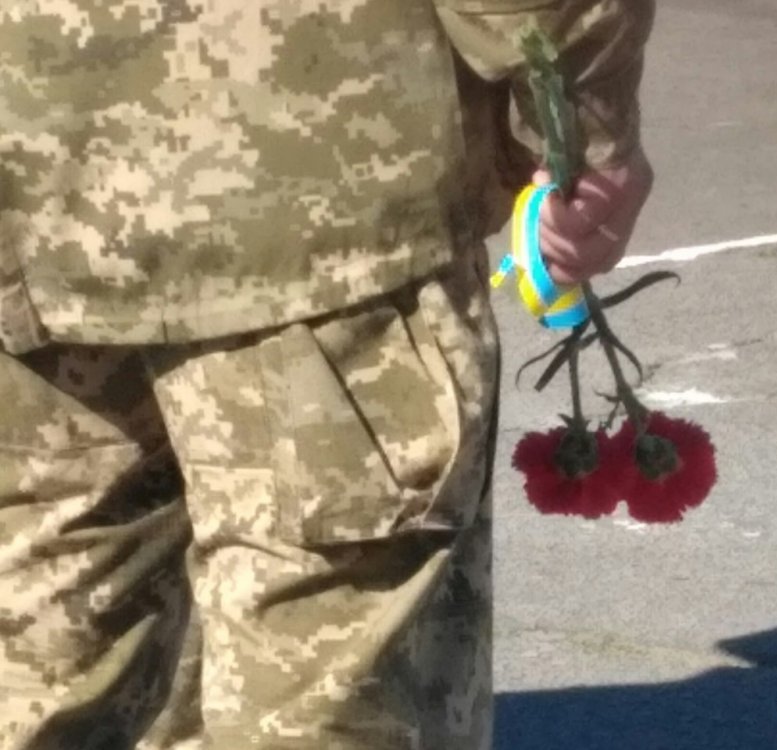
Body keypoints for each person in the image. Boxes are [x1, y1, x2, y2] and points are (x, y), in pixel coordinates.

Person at [0, 1, 654, 748]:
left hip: (27, 204)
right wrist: (586, 131)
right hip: (316, 206)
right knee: (327, 686)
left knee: (51, 655)